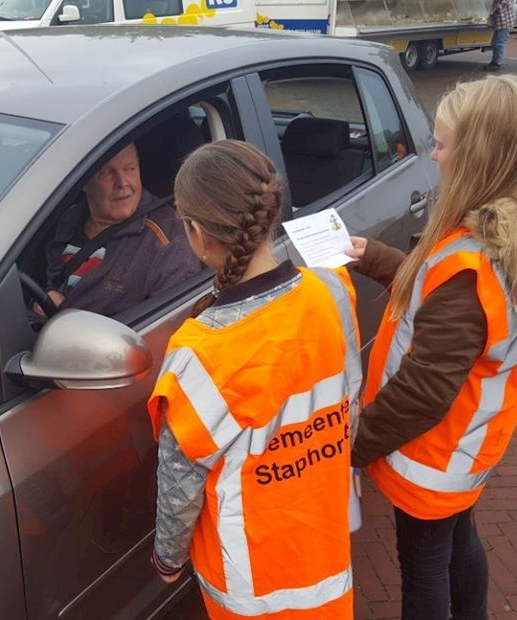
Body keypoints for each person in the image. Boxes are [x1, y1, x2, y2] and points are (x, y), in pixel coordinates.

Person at [347, 75, 517, 620]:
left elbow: (422, 392)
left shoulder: (471, 265)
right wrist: (373, 256)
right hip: (468, 444)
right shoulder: (501, 235)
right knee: (458, 541)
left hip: (432, 453)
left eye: (441, 144)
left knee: (422, 565)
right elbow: (434, 297)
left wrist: (354, 449)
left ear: (476, 159)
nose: (433, 155)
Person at [147, 140, 363, 619]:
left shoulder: (199, 354)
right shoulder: (329, 291)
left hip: (251, 588)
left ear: (197, 233)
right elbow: (350, 398)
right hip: (326, 557)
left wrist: (167, 557)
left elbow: (180, 483)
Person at [44, 143, 201, 317]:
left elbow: (166, 328)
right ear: (83, 181)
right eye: (107, 173)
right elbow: (49, 277)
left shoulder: (168, 243)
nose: (122, 183)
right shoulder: (70, 217)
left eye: (130, 169)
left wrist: (65, 313)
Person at [487, 0, 516, 71]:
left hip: (504, 22)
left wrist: (488, 12)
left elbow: (498, 5)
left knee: (499, 43)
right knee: (495, 42)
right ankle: (494, 61)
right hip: (501, 22)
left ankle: (497, 63)